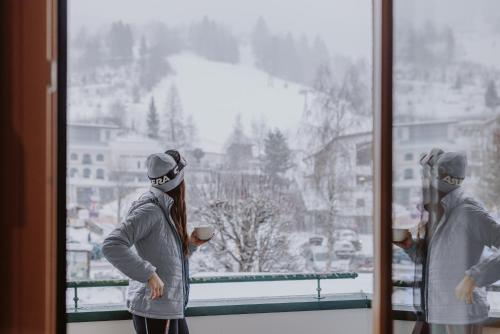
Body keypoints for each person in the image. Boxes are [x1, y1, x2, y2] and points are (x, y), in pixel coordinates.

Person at [102, 150, 211, 334]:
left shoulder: (165, 209)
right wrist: (149, 274)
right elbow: (111, 245)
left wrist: (191, 245)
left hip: (170, 307)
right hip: (154, 309)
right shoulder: (150, 211)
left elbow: (165, 256)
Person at [394, 149, 500, 334]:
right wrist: (410, 246)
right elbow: (435, 264)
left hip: (460, 317)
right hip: (433, 313)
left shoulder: (467, 212)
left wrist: (475, 276)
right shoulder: (437, 212)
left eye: (425, 177)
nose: (422, 184)